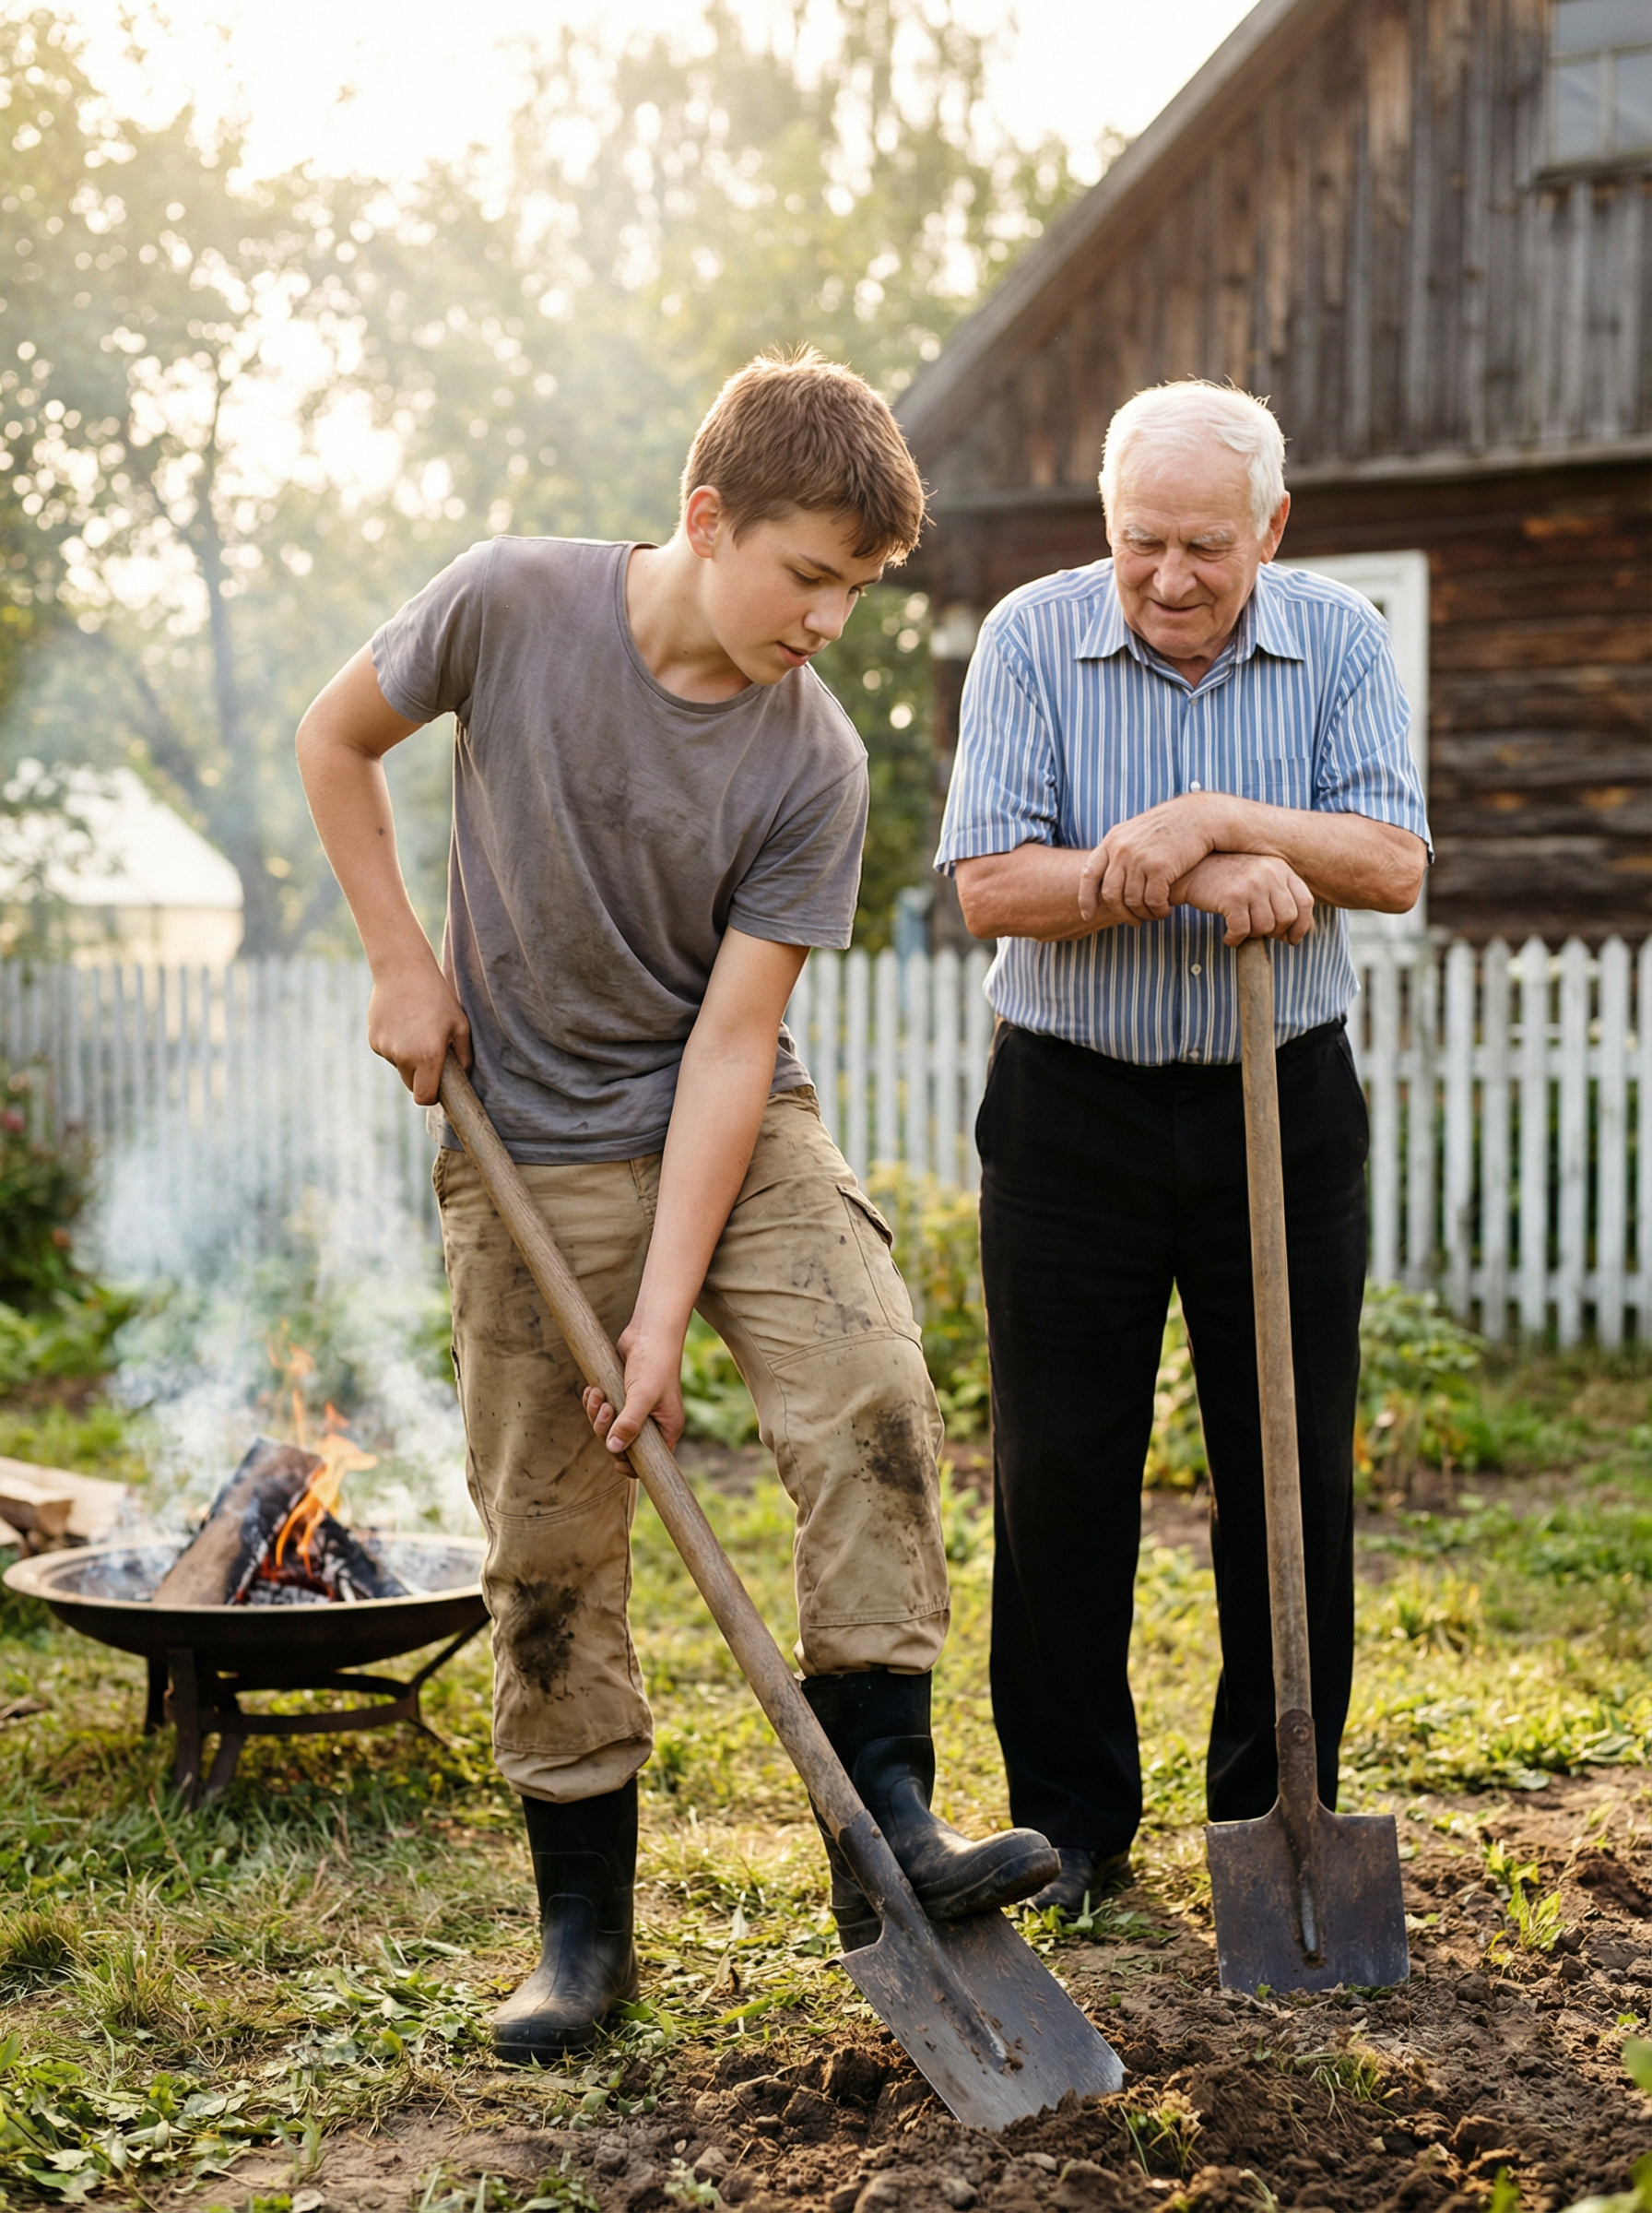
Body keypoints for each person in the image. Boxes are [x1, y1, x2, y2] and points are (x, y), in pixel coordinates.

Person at [296, 349, 1056, 2060]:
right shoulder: (508, 605)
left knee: (868, 1394)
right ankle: (584, 1936)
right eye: (810, 575)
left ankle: (893, 1832)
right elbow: (332, 741)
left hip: (737, 1124)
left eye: (858, 590)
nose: (829, 621)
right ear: (707, 518)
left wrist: (660, 1318)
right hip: (526, 1139)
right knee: (550, 1541)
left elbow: (732, 1048)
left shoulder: (816, 762)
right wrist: (402, 963)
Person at [936, 379, 1431, 1912]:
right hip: (1070, 1104)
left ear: (1271, 530)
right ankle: (1075, 1830)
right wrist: (1173, 879)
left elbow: (1395, 860)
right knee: (1061, 1472)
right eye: (1141, 540)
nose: (1169, 577)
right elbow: (993, 887)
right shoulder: (1029, 637)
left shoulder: (1341, 640)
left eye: (1207, 546)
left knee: (1287, 1472)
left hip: (1280, 1100)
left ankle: (1272, 1822)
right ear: (1107, 525)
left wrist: (1218, 817)